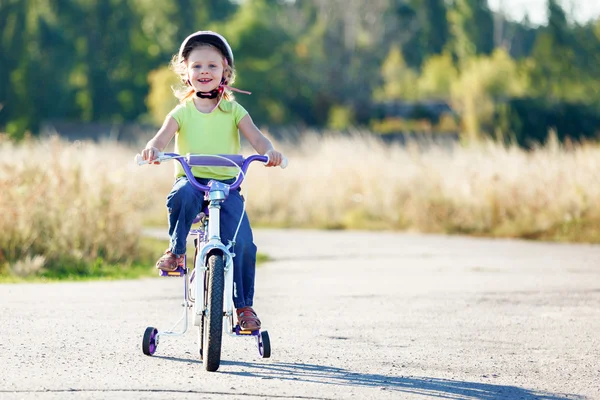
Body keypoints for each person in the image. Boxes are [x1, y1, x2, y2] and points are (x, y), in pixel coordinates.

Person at [140, 31, 285, 331]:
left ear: (225, 72)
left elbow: (257, 138)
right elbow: (161, 139)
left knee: (243, 242)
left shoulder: (234, 111)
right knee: (180, 196)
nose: (204, 72)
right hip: (192, 181)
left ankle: (244, 307)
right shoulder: (181, 112)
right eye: (196, 66)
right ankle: (177, 252)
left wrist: (269, 152)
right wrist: (153, 149)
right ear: (185, 72)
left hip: (227, 186)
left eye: (212, 66)